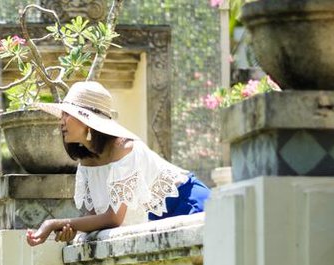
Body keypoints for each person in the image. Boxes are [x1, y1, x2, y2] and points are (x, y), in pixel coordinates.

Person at [25, 81, 210, 247]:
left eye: (68, 114)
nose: (61, 121)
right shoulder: (86, 161)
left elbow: (114, 218)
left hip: (190, 205)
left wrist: (53, 223)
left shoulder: (124, 148)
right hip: (157, 220)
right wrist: (70, 229)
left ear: (87, 121)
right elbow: (94, 215)